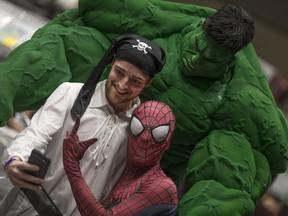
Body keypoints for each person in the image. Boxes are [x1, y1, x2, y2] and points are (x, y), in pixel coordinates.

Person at [0, 0, 287, 215]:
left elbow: (268, 155)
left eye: (209, 60)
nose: (196, 60)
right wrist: (18, 157)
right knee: (66, 44)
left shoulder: (241, 95)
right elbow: (89, 13)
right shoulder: (165, 25)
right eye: (197, 46)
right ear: (199, 29)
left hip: (135, 185)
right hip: (78, 140)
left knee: (233, 164)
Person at [0, 34, 166, 216]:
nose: (122, 85)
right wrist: (15, 159)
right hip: (27, 209)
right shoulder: (71, 94)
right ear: (111, 64)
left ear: (148, 83)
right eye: (119, 72)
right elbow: (36, 134)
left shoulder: (141, 128)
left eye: (135, 81)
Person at [63, 100, 178, 215]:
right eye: (137, 127)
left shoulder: (163, 187)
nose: (145, 138)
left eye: (159, 134)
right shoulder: (126, 174)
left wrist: (72, 167)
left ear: (167, 143)